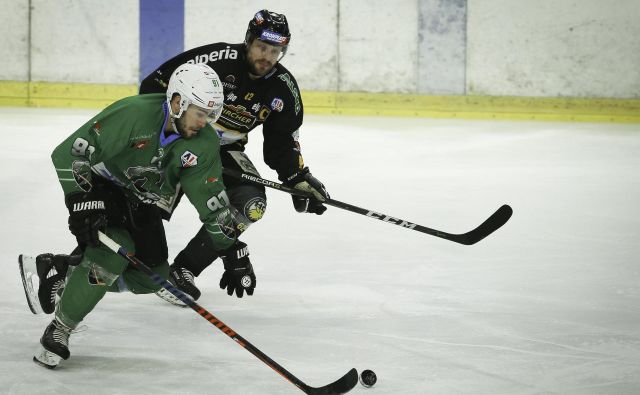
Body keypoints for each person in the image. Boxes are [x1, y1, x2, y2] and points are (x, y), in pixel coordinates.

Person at [25, 9, 330, 310]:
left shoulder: (283, 89)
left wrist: (296, 177)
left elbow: (282, 140)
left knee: (252, 203)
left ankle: (183, 271)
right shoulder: (215, 60)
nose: (267, 56)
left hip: (225, 150)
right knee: (139, 210)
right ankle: (67, 267)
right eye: (262, 47)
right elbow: (155, 87)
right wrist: (166, 140)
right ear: (249, 41)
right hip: (177, 139)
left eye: (276, 51)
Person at [21, 63, 257, 368]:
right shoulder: (134, 113)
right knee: (111, 257)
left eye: (211, 115)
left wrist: (229, 245)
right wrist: (80, 199)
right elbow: (71, 152)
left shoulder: (204, 142)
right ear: (177, 102)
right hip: (101, 189)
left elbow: (211, 200)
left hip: (141, 201)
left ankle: (62, 272)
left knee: (152, 277)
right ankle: (60, 328)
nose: (206, 122)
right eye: (201, 113)